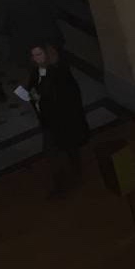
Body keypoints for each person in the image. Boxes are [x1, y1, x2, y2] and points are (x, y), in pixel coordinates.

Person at [27, 43, 89, 195]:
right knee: (59, 150)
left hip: (62, 120)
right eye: (34, 55)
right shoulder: (37, 71)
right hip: (51, 121)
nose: (36, 58)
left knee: (63, 149)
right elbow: (34, 88)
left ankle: (68, 180)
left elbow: (66, 97)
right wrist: (33, 96)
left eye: (39, 54)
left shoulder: (58, 73)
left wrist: (39, 97)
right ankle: (66, 178)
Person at [0, 0, 62, 70]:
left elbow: (0, 26)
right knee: (61, 69)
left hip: (27, 44)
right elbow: (54, 11)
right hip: (49, 37)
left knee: (40, 75)